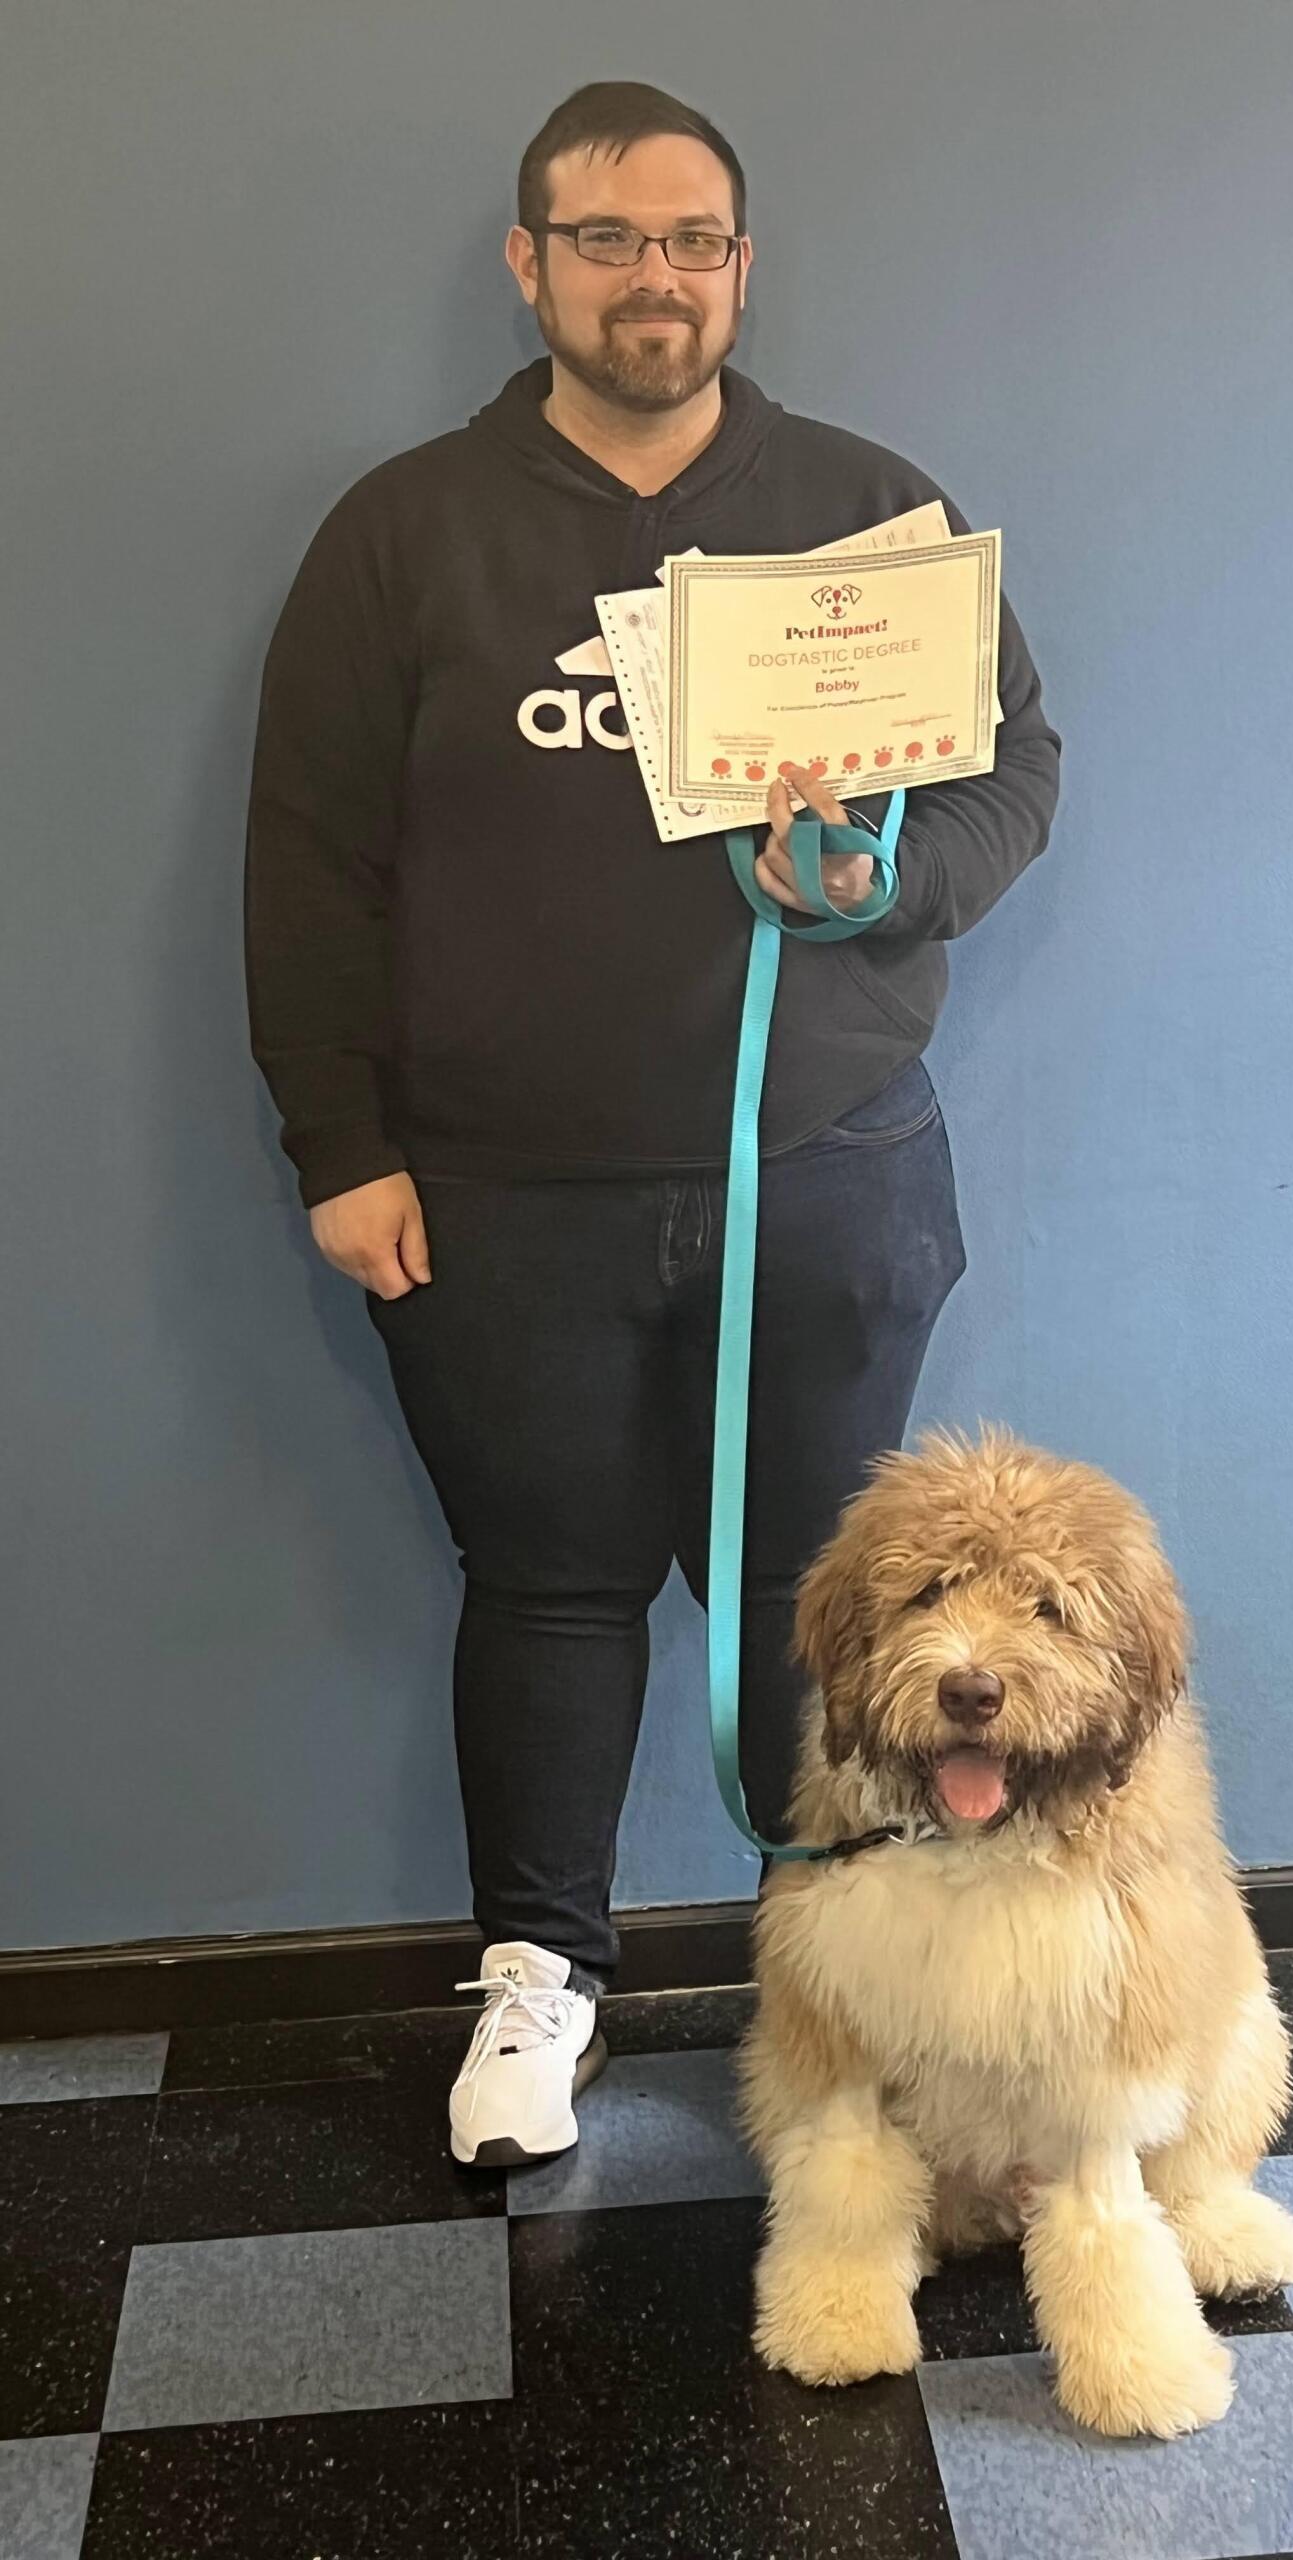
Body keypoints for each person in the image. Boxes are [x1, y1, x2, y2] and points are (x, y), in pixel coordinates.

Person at [243, 80, 1061, 2167]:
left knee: (835, 1595)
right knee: (545, 1582)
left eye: (692, 240)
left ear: (739, 264)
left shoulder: (868, 511)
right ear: (530, 268)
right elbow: (308, 861)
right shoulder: (405, 530)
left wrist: (882, 881)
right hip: (501, 1197)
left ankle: (846, 1997)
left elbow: (1011, 773)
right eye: (605, 241)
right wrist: (339, 1144)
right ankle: (541, 1984)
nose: (654, 279)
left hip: (831, 1170)